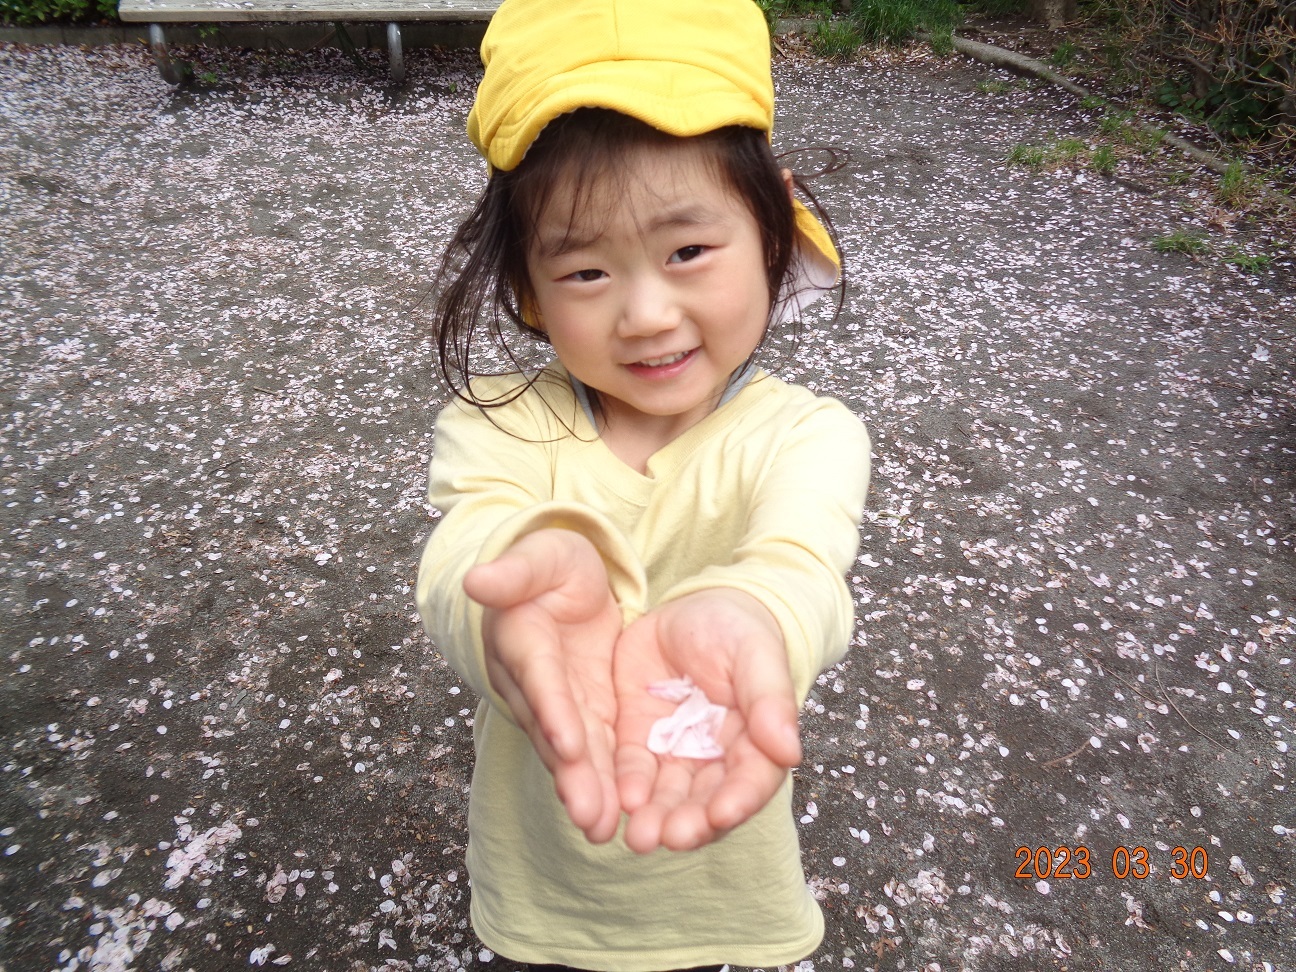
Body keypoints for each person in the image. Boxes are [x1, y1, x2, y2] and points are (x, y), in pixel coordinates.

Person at [415, 0, 871, 967]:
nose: (647, 314)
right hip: (544, 886)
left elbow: (803, 565)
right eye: (586, 271)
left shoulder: (807, 435)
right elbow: (467, 554)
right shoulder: (498, 422)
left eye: (688, 251)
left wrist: (754, 611)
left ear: (773, 230)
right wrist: (508, 604)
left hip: (723, 877)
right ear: (527, 288)